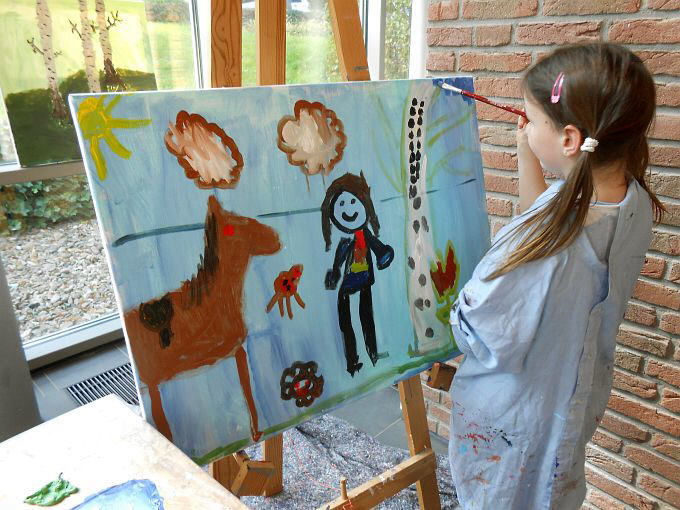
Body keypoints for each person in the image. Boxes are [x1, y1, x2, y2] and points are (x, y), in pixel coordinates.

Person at [448, 43, 664, 510]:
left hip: (514, 424)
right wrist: (527, 154)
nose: (526, 125)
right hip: (568, 404)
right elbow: (548, 213)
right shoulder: (632, 201)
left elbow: (478, 331)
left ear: (569, 139)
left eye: (532, 118)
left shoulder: (550, 241)